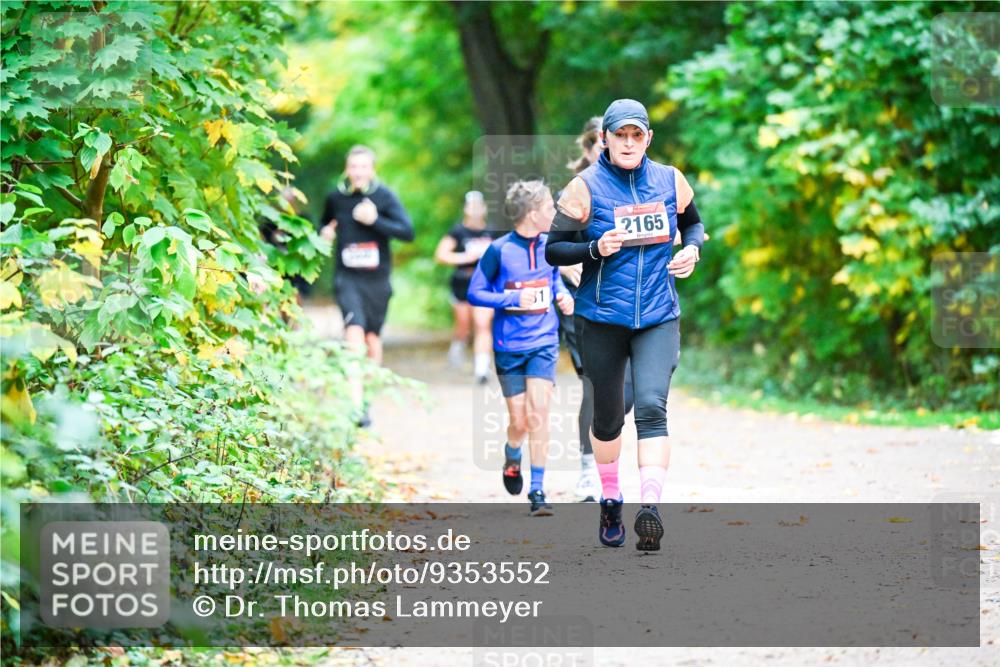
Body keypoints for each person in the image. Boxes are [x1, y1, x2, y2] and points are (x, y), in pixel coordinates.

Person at [546, 99, 705, 551]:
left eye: (638, 135)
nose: (629, 142)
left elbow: (693, 226)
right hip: (601, 319)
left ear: (648, 139)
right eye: (621, 135)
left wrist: (691, 251)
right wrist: (595, 248)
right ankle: (611, 497)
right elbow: (555, 250)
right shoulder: (585, 187)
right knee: (609, 418)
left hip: (658, 314)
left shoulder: (670, 180)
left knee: (653, 407)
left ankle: (650, 507)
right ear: (606, 139)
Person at [468, 180, 574, 516]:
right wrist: (511, 298)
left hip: (543, 342)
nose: (554, 214)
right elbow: (476, 292)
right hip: (509, 346)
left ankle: (538, 489)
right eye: (548, 209)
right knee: (520, 421)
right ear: (532, 213)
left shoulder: (550, 246)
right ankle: (513, 452)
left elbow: (554, 278)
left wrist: (563, 295)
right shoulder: (499, 250)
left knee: (539, 413)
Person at [559, 117, 634, 503]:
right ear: (590, 148)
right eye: (604, 143)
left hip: (628, 305)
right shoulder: (574, 192)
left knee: (627, 392)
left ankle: (602, 452)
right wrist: (563, 270)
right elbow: (549, 248)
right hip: (582, 305)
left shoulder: (634, 186)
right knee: (594, 383)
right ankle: (590, 469)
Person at [320, 145, 414, 427]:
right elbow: (323, 226)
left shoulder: (384, 197)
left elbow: (407, 232)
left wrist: (376, 221)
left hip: (377, 280)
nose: (358, 172)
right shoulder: (336, 198)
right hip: (347, 279)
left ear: (372, 170)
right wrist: (323, 233)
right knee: (354, 335)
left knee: (372, 341)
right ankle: (355, 402)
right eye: (353, 167)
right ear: (347, 170)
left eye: (363, 167)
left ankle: (366, 398)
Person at [434, 191, 495, 384]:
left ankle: (481, 369)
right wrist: (464, 258)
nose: (475, 209)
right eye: (471, 206)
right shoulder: (458, 231)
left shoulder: (492, 232)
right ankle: (457, 348)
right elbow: (441, 255)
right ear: (466, 209)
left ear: (484, 208)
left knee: (483, 324)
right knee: (463, 326)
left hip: (485, 282)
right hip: (462, 282)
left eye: (479, 205)